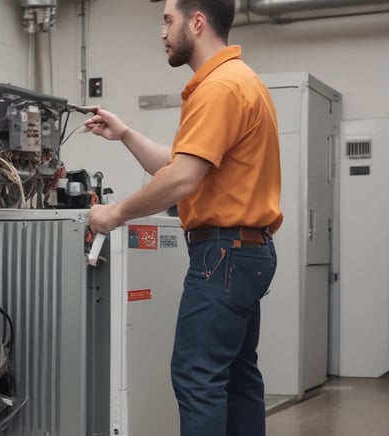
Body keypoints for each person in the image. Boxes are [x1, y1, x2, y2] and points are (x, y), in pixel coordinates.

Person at [84, 0, 282, 435]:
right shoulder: (240, 81)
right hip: (248, 253)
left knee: (197, 377)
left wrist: (113, 213)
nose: (162, 31)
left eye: (167, 20)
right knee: (238, 379)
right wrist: (126, 135)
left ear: (197, 21)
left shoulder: (219, 88)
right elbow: (178, 164)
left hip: (223, 255)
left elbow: (181, 181)